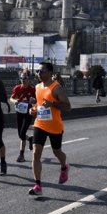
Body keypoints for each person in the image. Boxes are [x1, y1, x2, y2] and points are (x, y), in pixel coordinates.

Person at [28, 62, 72, 196]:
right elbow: (39, 104)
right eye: (37, 71)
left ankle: (64, 166)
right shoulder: (37, 87)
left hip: (55, 126)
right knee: (36, 153)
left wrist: (53, 103)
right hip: (40, 123)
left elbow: (67, 106)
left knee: (57, 152)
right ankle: (38, 185)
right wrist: (33, 109)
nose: (38, 74)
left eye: (41, 71)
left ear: (50, 72)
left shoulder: (56, 88)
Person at [9, 69, 36, 162]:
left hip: (27, 113)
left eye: (25, 78)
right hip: (19, 112)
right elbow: (11, 98)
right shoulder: (17, 88)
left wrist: (34, 101)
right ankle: (30, 139)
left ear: (29, 79)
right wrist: (15, 101)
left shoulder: (32, 89)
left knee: (22, 133)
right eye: (22, 78)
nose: (23, 80)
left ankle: (21, 155)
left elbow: (37, 100)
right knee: (20, 134)